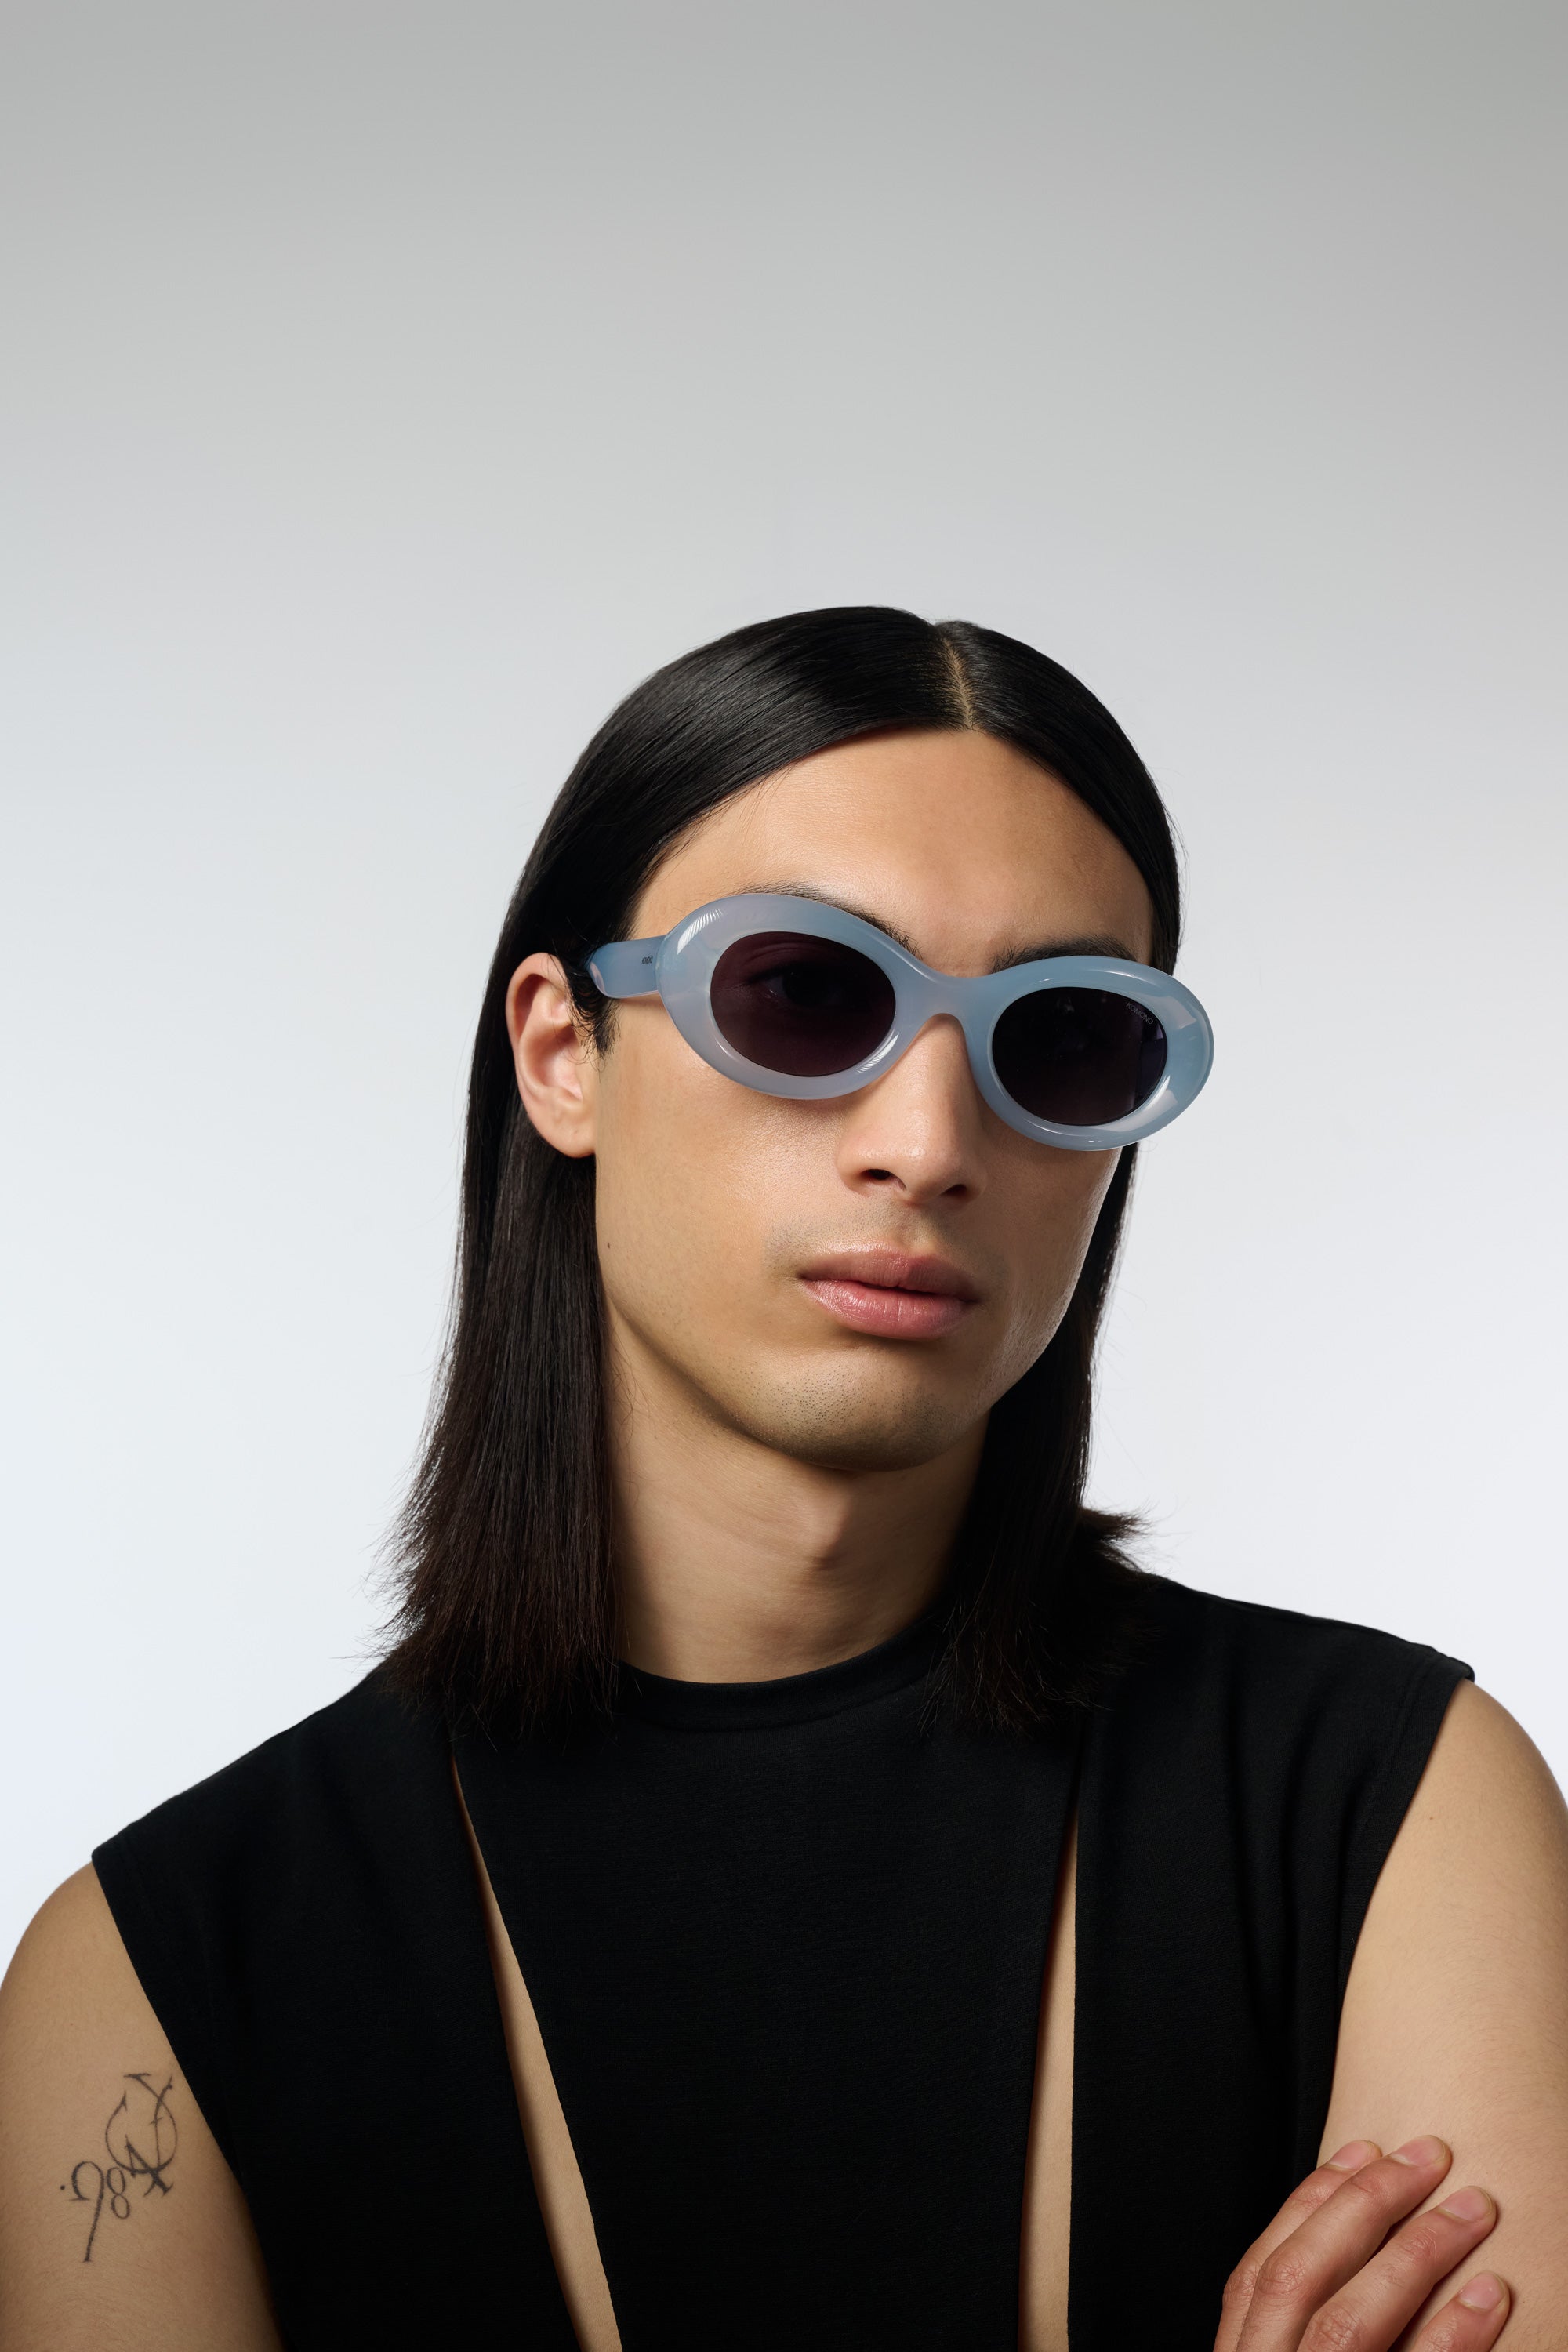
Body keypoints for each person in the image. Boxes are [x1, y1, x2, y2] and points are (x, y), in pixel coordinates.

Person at [2, 608, 1566, 2352]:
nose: (928, 1142)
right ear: (566, 1053)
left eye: (1059, 1037)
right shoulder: (145, 1990)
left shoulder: (1401, 1809)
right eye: (808, 994)